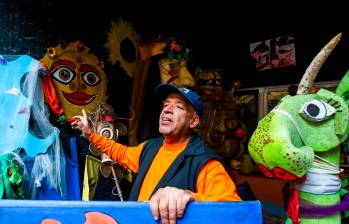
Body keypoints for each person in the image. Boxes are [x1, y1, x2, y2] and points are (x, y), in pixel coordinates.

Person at [71, 83, 241, 224]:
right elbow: (120, 153)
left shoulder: (205, 162)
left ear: (193, 121)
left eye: (178, 107)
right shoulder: (150, 147)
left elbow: (234, 210)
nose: (167, 110)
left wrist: (190, 197)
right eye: (166, 105)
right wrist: (90, 134)